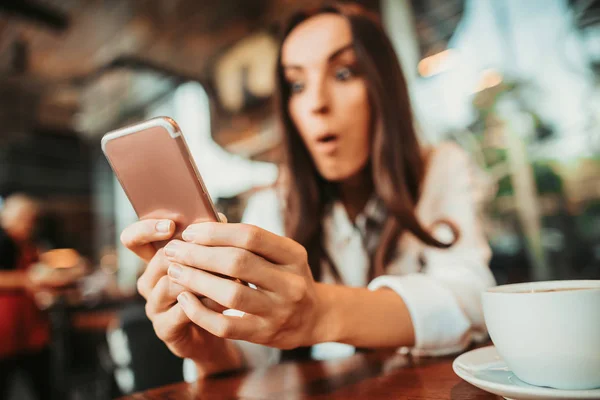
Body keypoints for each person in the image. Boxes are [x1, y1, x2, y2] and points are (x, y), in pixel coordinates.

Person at [121, 3, 496, 377]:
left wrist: (321, 312)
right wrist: (209, 350)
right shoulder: (274, 205)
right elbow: (251, 351)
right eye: (297, 85)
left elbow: (474, 300)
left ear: (385, 86)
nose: (316, 103)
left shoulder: (439, 167)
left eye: (344, 72)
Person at [0, 194, 52, 399]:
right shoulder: (3, 241)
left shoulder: (30, 243)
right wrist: (27, 279)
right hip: (6, 334)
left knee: (43, 388)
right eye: (23, 218)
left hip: (32, 331)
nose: (29, 224)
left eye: (31, 219)